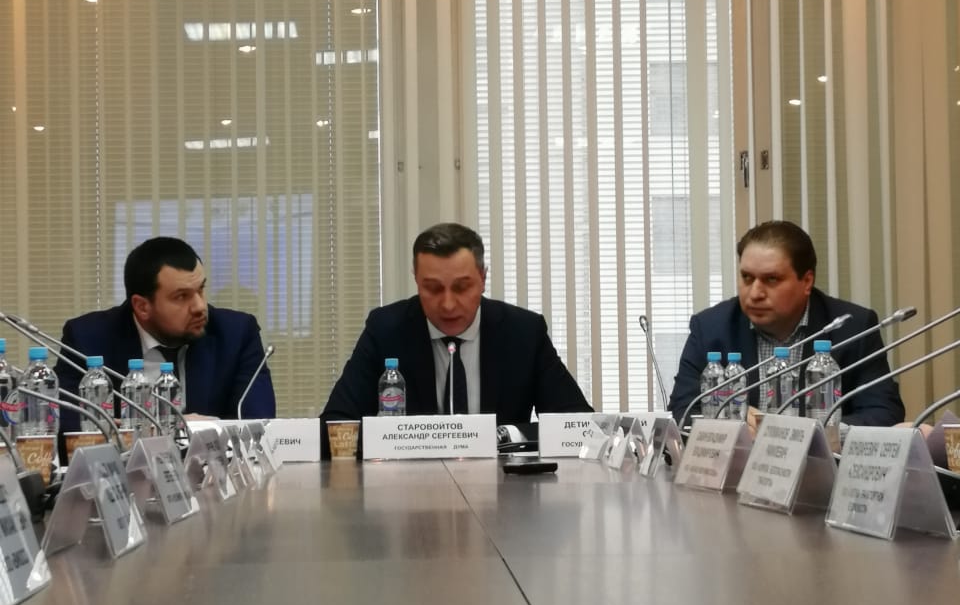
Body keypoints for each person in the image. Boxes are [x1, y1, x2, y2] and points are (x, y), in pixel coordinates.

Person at [321, 222, 591, 446]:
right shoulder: (386, 330)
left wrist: (507, 436)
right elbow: (333, 426)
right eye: (433, 288)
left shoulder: (523, 332)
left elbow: (578, 426)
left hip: (504, 486)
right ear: (416, 280)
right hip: (409, 486)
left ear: (483, 278)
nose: (448, 304)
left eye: (462, 287)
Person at [668, 220, 904, 430]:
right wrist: (730, 427)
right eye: (747, 278)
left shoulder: (852, 328)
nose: (755, 293)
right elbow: (682, 412)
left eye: (771, 279)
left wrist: (815, 433)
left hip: (821, 463)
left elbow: (884, 413)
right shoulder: (710, 328)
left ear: (807, 281)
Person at [57, 236, 276, 426]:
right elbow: (68, 424)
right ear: (142, 307)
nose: (200, 306)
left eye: (201, 289)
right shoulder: (88, 339)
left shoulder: (236, 335)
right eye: (182, 296)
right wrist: (168, 429)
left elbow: (258, 424)